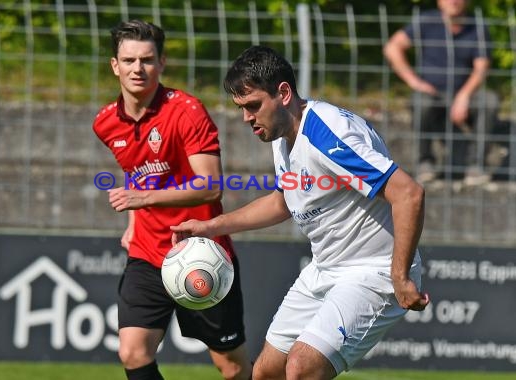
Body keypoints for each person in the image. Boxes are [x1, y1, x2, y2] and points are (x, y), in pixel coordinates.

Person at [171, 46, 430, 379]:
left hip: (372, 273)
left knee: (302, 367)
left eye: (253, 106)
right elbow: (283, 201)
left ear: (283, 93)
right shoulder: (283, 136)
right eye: (241, 109)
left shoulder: (327, 133)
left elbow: (408, 193)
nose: (247, 118)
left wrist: (400, 276)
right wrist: (212, 226)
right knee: (266, 372)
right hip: (324, 270)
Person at [92, 19, 252, 380]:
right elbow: (136, 169)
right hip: (147, 253)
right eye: (129, 60)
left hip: (200, 252)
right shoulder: (105, 122)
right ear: (114, 65)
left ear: (161, 63)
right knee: (133, 352)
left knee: (231, 367)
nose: (138, 68)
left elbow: (210, 186)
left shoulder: (186, 112)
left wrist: (143, 199)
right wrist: (134, 223)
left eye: (147, 60)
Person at [383, 0, 497, 183]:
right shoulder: (425, 21)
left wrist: (464, 96)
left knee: (489, 100)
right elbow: (392, 47)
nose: (453, 1)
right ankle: (425, 162)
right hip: (431, 94)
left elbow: (481, 69)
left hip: (465, 93)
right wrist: (414, 82)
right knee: (421, 101)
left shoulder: (478, 26)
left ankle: (477, 166)